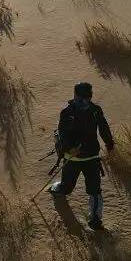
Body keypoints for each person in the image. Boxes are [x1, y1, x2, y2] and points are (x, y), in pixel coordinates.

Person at [49, 82, 114, 230]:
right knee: (77, 188)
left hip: (86, 158)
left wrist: (109, 144)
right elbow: (63, 134)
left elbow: (104, 128)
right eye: (82, 99)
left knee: (93, 189)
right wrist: (70, 149)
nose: (85, 102)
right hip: (78, 158)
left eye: (87, 98)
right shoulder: (72, 112)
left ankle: (95, 219)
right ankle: (58, 190)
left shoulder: (92, 111)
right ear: (76, 96)